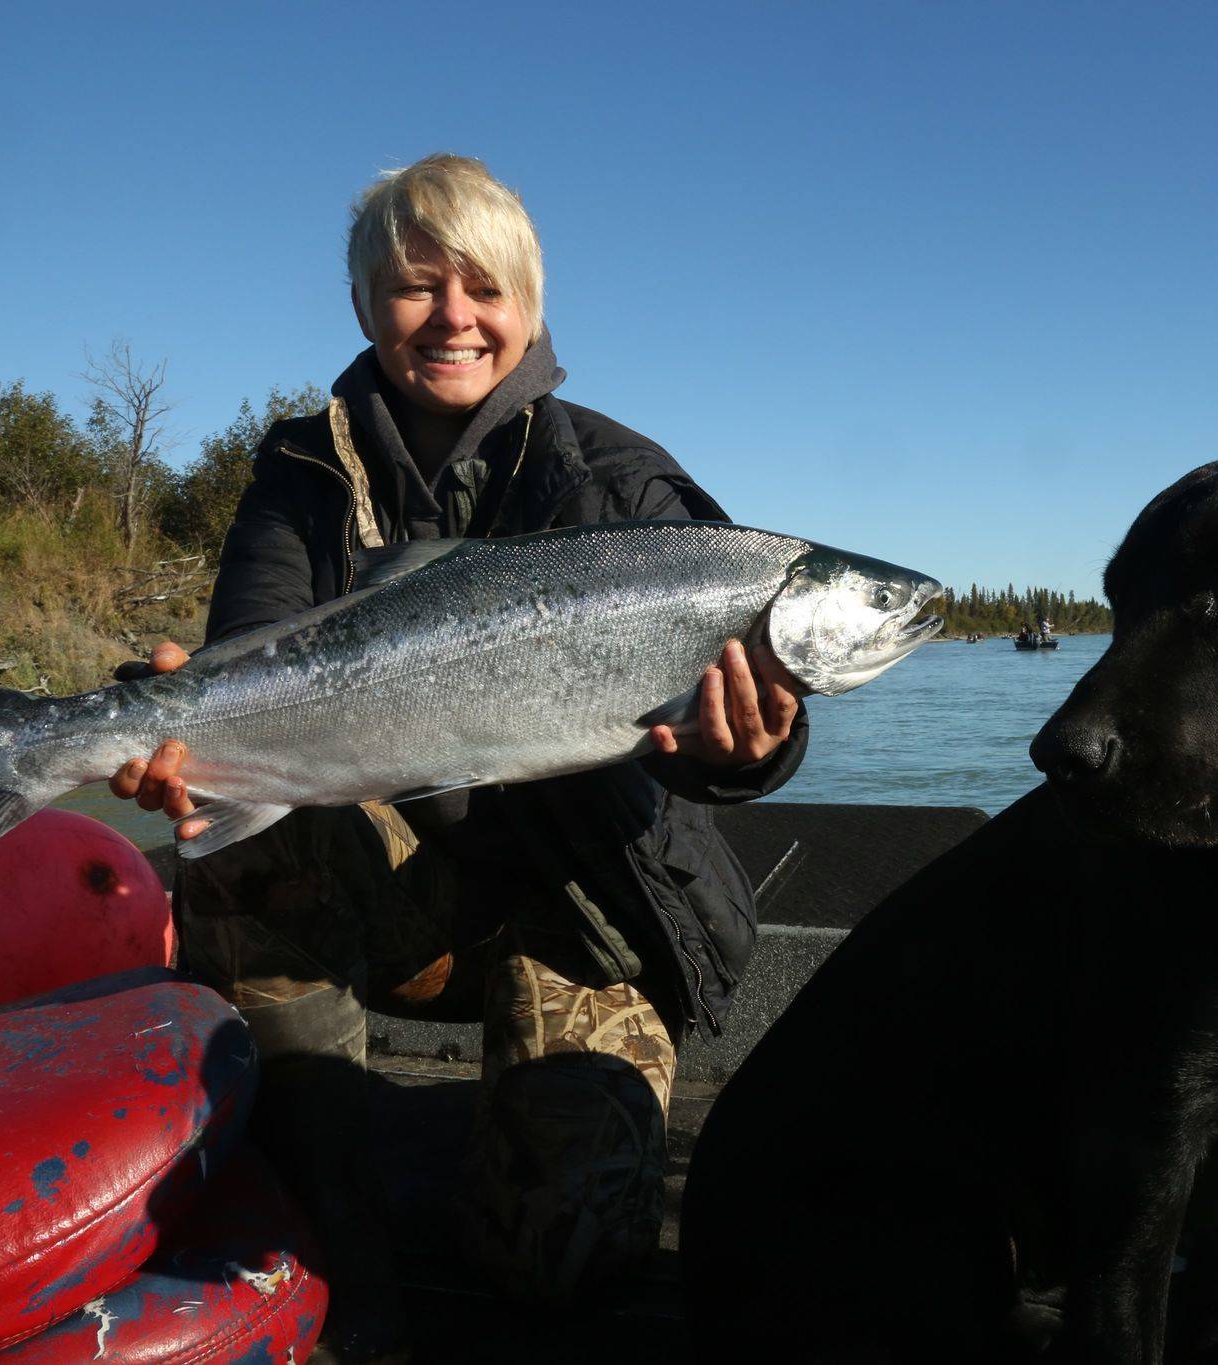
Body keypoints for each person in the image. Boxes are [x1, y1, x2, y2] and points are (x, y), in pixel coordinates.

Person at [109, 154, 806, 1361]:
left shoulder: (622, 483)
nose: (452, 317)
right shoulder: (300, 468)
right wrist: (184, 735)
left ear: (529, 303)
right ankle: (326, 1221)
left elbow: (733, 753)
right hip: (383, 880)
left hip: (581, 900)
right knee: (231, 844)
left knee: (556, 1260)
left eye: (481, 286)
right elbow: (246, 660)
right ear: (365, 303)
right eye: (414, 286)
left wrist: (751, 751)